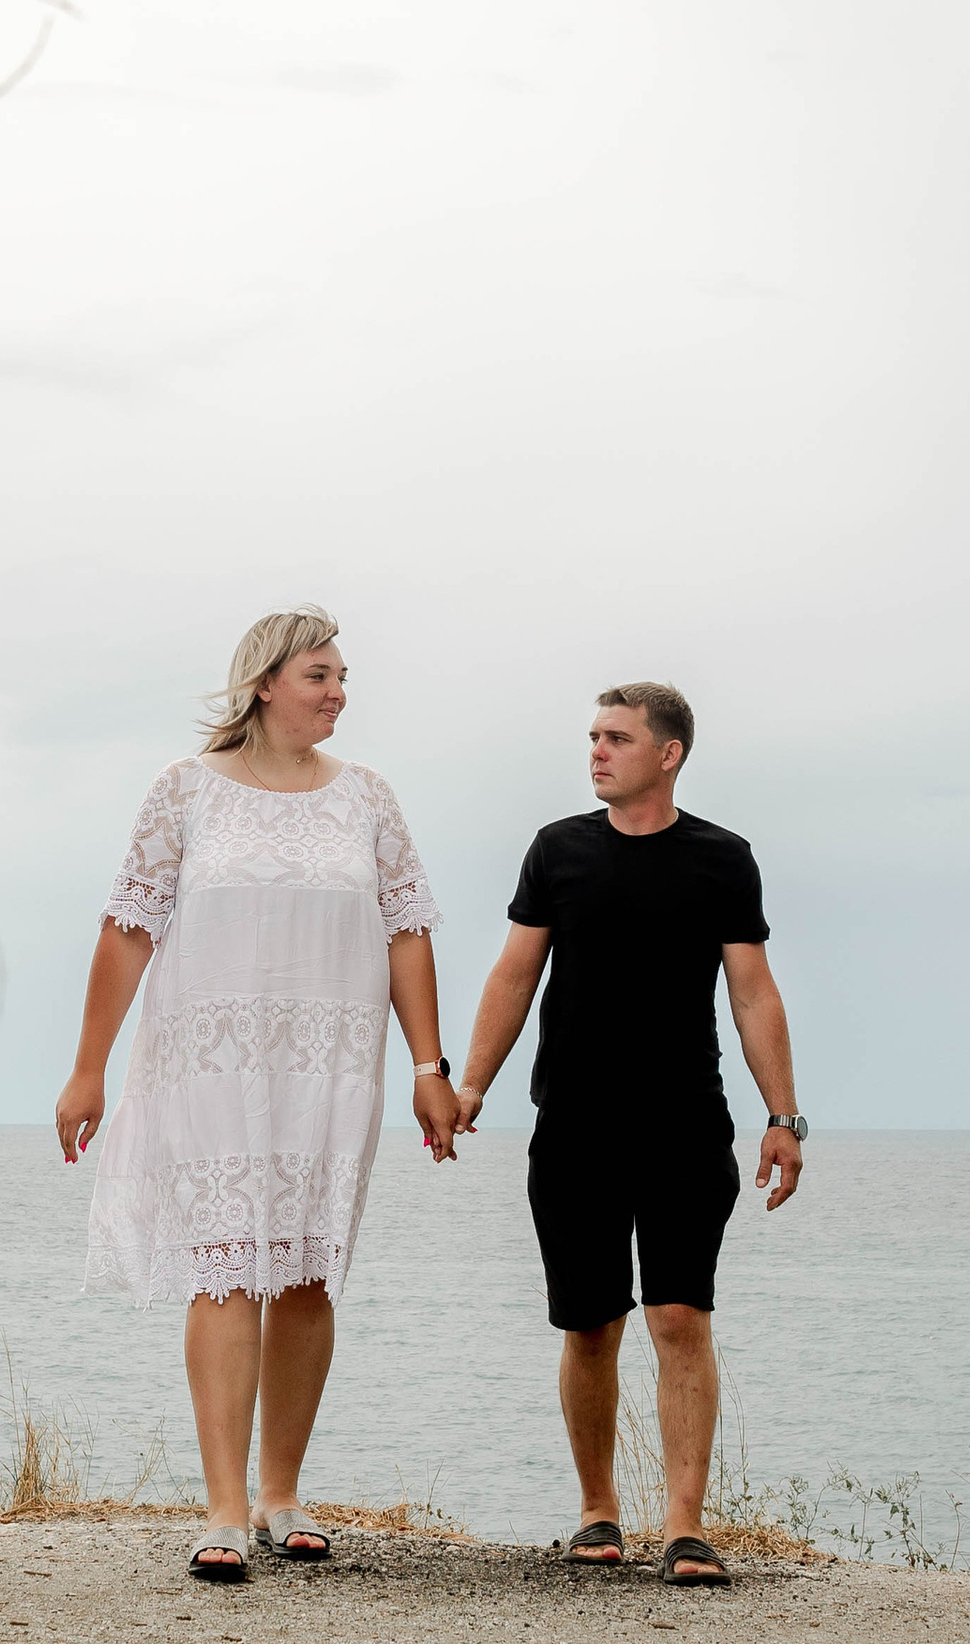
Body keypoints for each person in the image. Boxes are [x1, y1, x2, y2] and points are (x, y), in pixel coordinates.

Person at [56, 608, 459, 1582]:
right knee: (227, 1263)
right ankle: (225, 1510)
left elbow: (406, 931)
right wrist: (88, 1067)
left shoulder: (367, 798)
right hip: (211, 1064)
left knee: (310, 1268)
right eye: (320, 674)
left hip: (330, 1065)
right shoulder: (185, 791)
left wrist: (428, 1066)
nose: (338, 691)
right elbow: (128, 928)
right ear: (265, 683)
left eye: (342, 675)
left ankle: (282, 1494)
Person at [456, 682, 804, 1588]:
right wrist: (470, 1084)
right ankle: (597, 1512)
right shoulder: (557, 851)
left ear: (669, 752)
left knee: (680, 1316)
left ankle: (685, 1526)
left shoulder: (722, 860)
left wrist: (784, 1115)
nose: (597, 751)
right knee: (591, 1325)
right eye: (593, 737)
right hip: (573, 1124)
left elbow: (752, 991)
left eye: (616, 737)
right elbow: (514, 972)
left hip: (686, 1125)